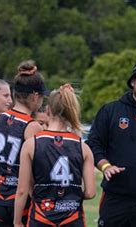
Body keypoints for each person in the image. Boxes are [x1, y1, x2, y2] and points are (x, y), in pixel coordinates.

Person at [87, 61, 136, 226]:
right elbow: (93, 144)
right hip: (115, 197)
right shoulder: (111, 110)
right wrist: (105, 166)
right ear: (132, 82)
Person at [13, 83, 96, 226]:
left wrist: (17, 222)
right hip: (72, 218)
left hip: (41, 216)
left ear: (47, 110)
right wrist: (70, 198)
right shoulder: (83, 147)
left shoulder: (31, 144)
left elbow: (22, 190)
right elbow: (90, 192)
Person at [0, 60, 48, 225]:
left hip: (0, 197)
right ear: (35, 96)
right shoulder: (32, 126)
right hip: (21, 200)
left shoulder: (1, 117)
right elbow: (35, 174)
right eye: (42, 96)